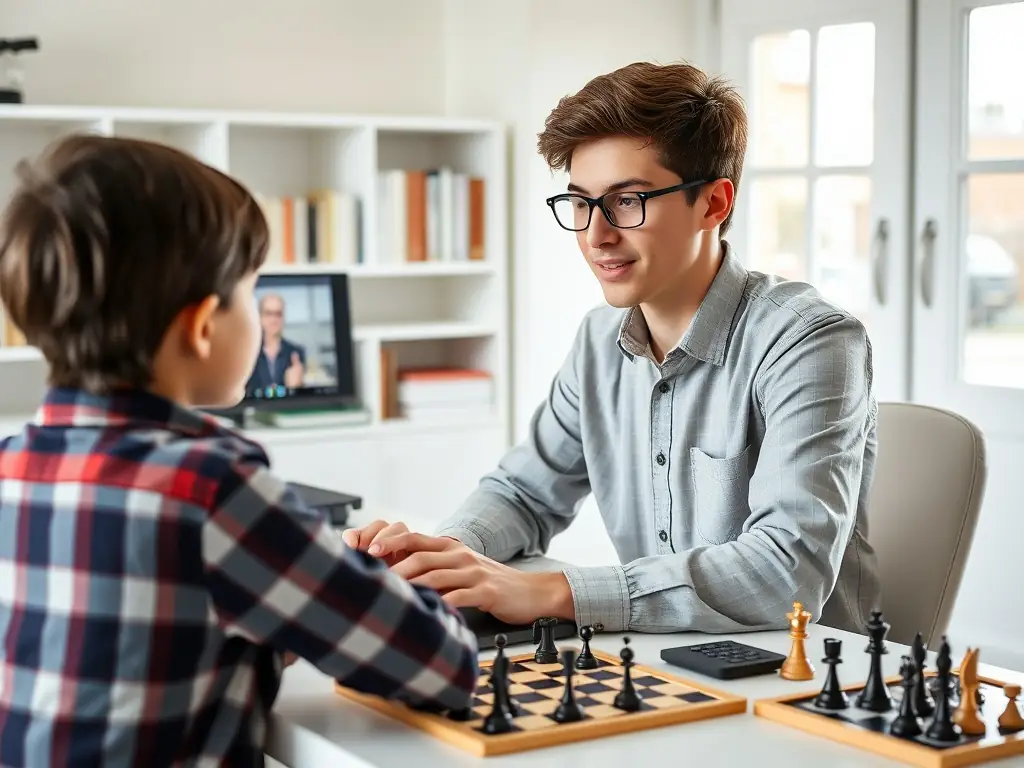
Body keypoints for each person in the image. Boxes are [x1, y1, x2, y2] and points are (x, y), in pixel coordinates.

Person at [343, 60, 882, 637]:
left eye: (627, 201)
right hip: (662, 660)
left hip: (807, 677)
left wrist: (553, 590)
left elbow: (786, 571)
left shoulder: (811, 341)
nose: (596, 234)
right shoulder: (600, 340)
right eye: (580, 202)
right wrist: (444, 555)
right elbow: (524, 493)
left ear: (714, 204)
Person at [0, 135, 478, 766]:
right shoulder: (211, 489)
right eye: (252, 290)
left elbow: (144, 636)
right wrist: (349, 586)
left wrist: (289, 596)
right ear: (201, 327)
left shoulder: (12, 466)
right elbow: (440, 664)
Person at [246, 292, 306, 394]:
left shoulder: (296, 353)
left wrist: (296, 388)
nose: (274, 320)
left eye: (278, 314)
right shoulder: (247, 353)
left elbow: (300, 398)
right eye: (268, 313)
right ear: (260, 316)